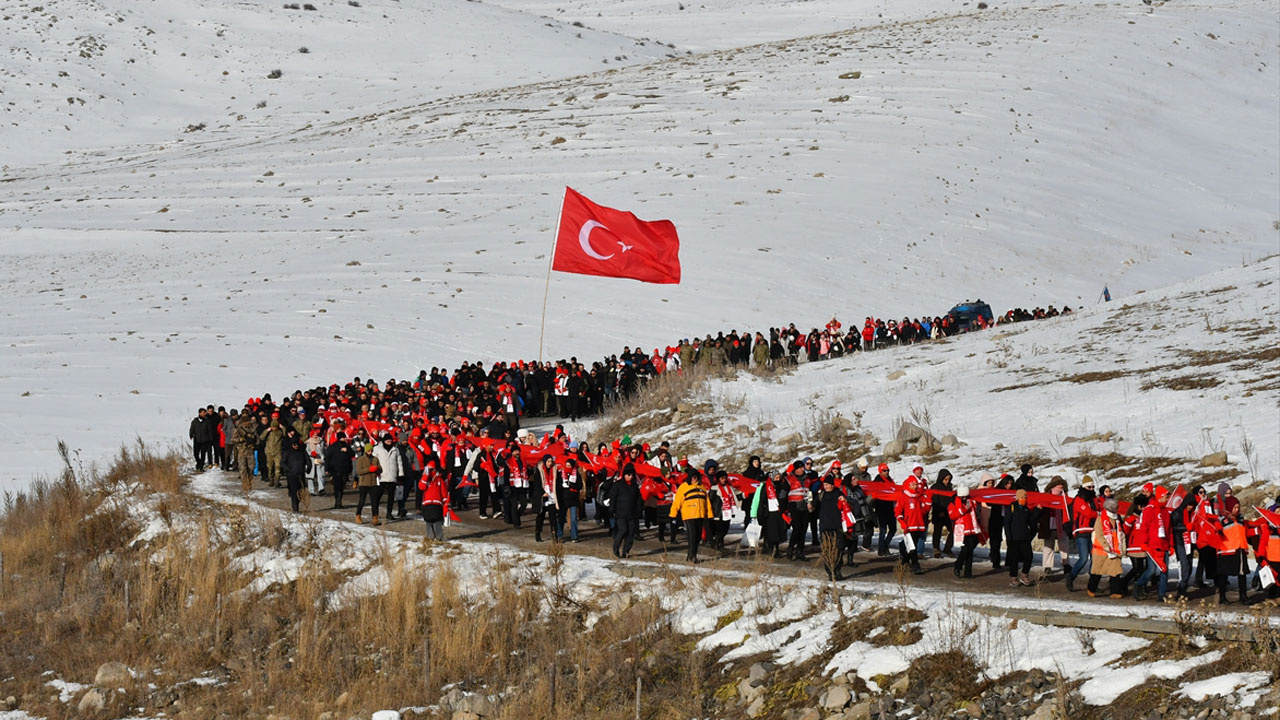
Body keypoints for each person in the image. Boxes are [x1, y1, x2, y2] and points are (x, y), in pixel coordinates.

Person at [1133, 486, 1172, 602]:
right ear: (1160, 497)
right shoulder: (1149, 509)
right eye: (1166, 496)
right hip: (1152, 545)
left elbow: (1169, 530)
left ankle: (1161, 594)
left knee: (1164, 570)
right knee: (1151, 570)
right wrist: (1143, 543)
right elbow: (1144, 528)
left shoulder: (1166, 511)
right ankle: (1138, 585)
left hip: (1164, 544)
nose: (1167, 498)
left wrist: (1171, 545)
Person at [815, 474, 855, 581]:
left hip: (837, 527)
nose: (826, 486)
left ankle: (838, 570)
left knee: (839, 550)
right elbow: (814, 507)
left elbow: (852, 503)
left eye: (828, 484)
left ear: (833, 485)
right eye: (825, 484)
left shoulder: (838, 493)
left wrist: (845, 499)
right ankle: (830, 572)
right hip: (824, 527)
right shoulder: (821, 495)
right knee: (827, 551)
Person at [1087, 499, 1126, 599]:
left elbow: (1121, 534)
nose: (1117, 508)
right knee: (1097, 571)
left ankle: (1115, 591)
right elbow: (1099, 534)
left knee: (1115, 572)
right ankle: (1091, 589)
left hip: (1115, 550)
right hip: (1101, 550)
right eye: (1116, 507)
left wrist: (1123, 547)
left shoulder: (1117, 519)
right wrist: (1105, 545)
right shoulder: (1100, 519)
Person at [1065, 476, 1097, 592]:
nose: (1092, 488)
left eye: (1093, 487)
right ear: (1084, 487)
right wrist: (1097, 514)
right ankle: (1071, 576)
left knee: (1095, 558)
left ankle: (1092, 585)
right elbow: (1088, 513)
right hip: (1081, 531)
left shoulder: (1093, 499)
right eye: (1089, 487)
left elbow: (1098, 509)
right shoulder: (1079, 499)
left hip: (1092, 531)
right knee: (1083, 558)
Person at [671, 470, 712, 562]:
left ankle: (692, 554)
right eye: (693, 477)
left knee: (698, 536)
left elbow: (707, 502)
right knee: (692, 535)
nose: (695, 479)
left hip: (700, 515)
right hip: (689, 515)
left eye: (696, 477)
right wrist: (673, 514)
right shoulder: (684, 487)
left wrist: (709, 514)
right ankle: (692, 556)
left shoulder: (702, 488)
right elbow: (677, 502)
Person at [607, 464, 643, 558]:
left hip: (632, 514)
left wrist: (639, 510)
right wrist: (611, 509)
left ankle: (626, 551)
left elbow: (639, 500)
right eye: (628, 474)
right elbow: (613, 498)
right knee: (623, 530)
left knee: (631, 532)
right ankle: (616, 547)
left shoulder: (635, 487)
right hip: (620, 513)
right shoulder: (618, 485)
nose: (629, 477)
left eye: (631, 475)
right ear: (624, 475)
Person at [896, 475, 928, 574]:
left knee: (910, 547)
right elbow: (898, 511)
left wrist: (928, 502)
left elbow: (923, 511)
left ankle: (903, 564)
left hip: (919, 525)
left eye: (916, 484)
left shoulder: (919, 496)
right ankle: (915, 565)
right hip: (909, 525)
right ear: (909, 485)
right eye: (913, 484)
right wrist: (902, 522)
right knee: (912, 547)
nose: (915, 486)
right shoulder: (903, 496)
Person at [949, 485, 982, 578]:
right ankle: (958, 565)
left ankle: (968, 572)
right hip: (961, 529)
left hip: (972, 528)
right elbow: (952, 515)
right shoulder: (953, 503)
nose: (964, 498)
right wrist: (963, 510)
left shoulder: (971, 501)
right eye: (962, 497)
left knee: (970, 551)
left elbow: (976, 511)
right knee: (965, 550)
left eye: (966, 496)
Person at [1006, 489, 1038, 586]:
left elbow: (1031, 520)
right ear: (1018, 498)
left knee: (1029, 556)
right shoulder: (1011, 507)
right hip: (1013, 538)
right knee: (1014, 559)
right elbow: (1007, 523)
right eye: (1022, 497)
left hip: (1024, 537)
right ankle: (1013, 577)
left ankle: (1024, 575)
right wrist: (1008, 537)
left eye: (1025, 497)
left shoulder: (1026, 509)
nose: (1024, 499)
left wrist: (1038, 510)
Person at [372, 434, 403, 521]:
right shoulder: (377, 449)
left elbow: (399, 463)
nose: (389, 443)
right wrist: (375, 471)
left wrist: (400, 474)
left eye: (390, 441)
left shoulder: (395, 450)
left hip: (392, 476)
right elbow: (374, 460)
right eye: (387, 441)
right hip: (381, 476)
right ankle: (375, 513)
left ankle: (389, 513)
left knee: (391, 497)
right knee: (378, 495)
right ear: (383, 441)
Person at [785, 463, 811, 560]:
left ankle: (800, 551)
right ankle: (791, 548)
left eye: (802, 467)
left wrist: (810, 503)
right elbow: (784, 493)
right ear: (795, 470)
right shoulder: (789, 479)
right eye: (800, 468)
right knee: (796, 529)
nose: (802, 469)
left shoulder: (807, 479)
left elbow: (809, 492)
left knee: (803, 529)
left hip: (805, 506)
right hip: (794, 506)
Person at [419, 460, 449, 541]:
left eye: (432, 469)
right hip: (427, 504)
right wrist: (425, 475)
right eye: (430, 469)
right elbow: (421, 487)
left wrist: (446, 504)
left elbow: (444, 493)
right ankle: (430, 538)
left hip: (437, 504)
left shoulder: (439, 480)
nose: (431, 471)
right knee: (428, 522)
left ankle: (439, 537)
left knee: (437, 521)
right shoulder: (425, 480)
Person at [281, 438, 313, 513]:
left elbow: (308, 461)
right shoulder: (287, 452)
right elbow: (283, 463)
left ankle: (297, 503)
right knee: (293, 492)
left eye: (296, 445)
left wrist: (309, 468)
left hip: (301, 474)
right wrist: (288, 469)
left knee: (301, 491)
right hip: (291, 475)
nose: (295, 446)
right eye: (294, 445)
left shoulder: (302, 452)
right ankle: (295, 507)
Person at [354, 443, 382, 526]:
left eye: (371, 450)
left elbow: (380, 469)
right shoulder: (360, 459)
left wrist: (377, 470)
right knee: (362, 500)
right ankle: (358, 515)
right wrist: (369, 469)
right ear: (366, 451)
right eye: (369, 450)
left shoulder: (375, 459)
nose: (370, 452)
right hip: (363, 483)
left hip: (373, 482)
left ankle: (375, 517)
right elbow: (359, 471)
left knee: (374, 501)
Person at [324, 434, 354, 509]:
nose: (344, 439)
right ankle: (338, 502)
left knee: (341, 485)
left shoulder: (347, 446)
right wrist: (327, 468)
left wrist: (347, 451)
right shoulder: (333, 446)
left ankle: (339, 500)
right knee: (337, 486)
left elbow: (352, 454)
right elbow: (327, 458)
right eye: (343, 437)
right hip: (335, 469)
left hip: (344, 469)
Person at [930, 469, 955, 558]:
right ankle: (936, 548)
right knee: (937, 531)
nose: (947, 481)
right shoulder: (935, 487)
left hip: (949, 513)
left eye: (948, 479)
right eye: (945, 479)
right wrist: (939, 511)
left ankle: (948, 548)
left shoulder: (949, 487)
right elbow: (934, 500)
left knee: (952, 530)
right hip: (938, 513)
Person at [872, 463, 896, 556]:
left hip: (890, 508)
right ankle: (881, 549)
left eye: (888, 470)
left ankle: (885, 545)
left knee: (893, 529)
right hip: (881, 508)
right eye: (884, 470)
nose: (887, 472)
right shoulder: (877, 481)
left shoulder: (890, 480)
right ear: (880, 472)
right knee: (883, 530)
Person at [189, 407, 214, 472]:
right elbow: (192, 429)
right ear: (200, 413)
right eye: (203, 412)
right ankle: (199, 462)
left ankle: (201, 467)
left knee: (203, 454)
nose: (204, 414)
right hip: (197, 440)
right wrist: (191, 434)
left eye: (205, 412)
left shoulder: (207, 421)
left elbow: (209, 431)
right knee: (196, 454)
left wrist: (211, 439)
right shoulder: (195, 421)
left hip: (205, 440)